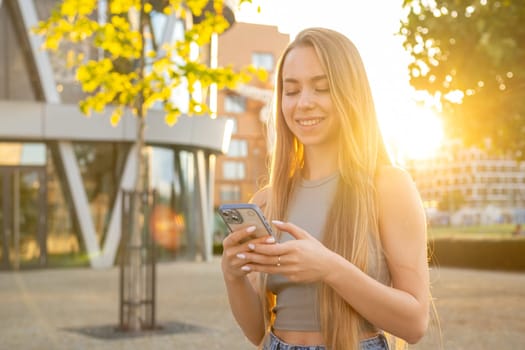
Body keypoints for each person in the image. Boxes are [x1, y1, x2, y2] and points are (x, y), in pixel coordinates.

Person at [221, 27, 431, 350]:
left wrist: (329, 268)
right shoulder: (267, 200)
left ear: (350, 94)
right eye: (291, 91)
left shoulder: (389, 187)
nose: (304, 103)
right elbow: (255, 330)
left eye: (322, 88)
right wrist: (233, 274)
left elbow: (415, 323)